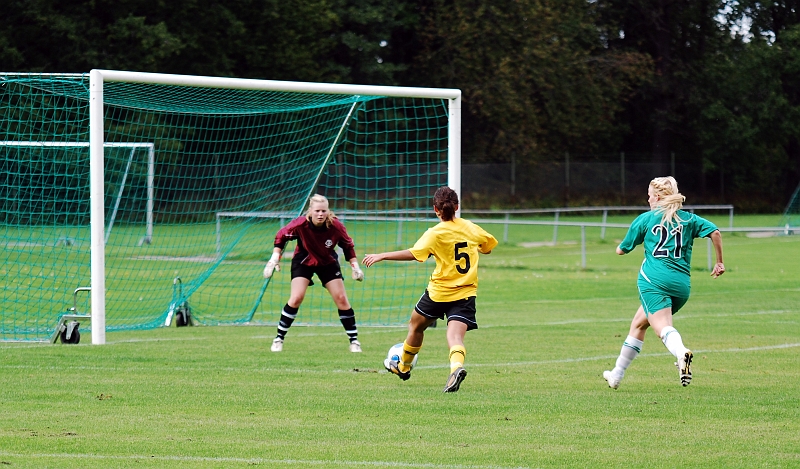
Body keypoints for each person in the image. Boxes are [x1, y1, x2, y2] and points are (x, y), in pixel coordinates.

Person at [362, 186, 498, 393]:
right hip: (465, 294)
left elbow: (414, 254)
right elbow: (487, 246)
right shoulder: (471, 227)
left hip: (439, 293)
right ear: (457, 207)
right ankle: (456, 368)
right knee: (455, 338)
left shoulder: (434, 234)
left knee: (415, 327)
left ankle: (403, 366)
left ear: (435, 209)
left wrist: (382, 255)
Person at [604, 176, 725, 389]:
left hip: (654, 281)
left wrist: (622, 246)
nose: (648, 199)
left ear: (657, 197)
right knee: (639, 323)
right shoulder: (689, 219)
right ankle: (616, 374)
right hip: (681, 286)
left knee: (662, 328)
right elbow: (715, 232)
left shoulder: (646, 219)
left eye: (650, 196)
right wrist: (719, 262)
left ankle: (682, 353)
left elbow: (621, 250)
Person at [262, 194, 364, 353]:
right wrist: (274, 258)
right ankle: (278, 339)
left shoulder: (336, 226)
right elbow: (281, 236)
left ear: (328, 211)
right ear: (310, 211)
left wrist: (355, 266)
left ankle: (354, 341)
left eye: (324, 210)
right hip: (304, 260)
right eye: (317, 210)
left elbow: (348, 246)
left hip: (327, 262)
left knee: (342, 299)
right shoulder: (301, 224)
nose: (320, 214)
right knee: (296, 298)